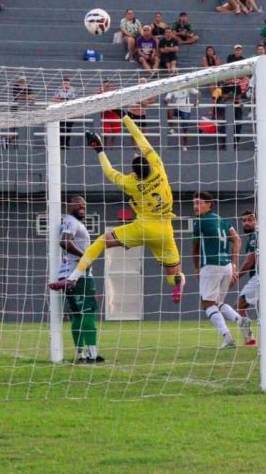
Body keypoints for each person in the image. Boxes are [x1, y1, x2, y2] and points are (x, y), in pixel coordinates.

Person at [49, 119, 186, 304]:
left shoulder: (131, 184)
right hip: (165, 232)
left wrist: (99, 150)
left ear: (136, 173)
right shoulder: (159, 168)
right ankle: (178, 283)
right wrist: (127, 118)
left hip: (142, 228)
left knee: (100, 242)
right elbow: (141, 139)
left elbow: (109, 171)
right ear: (149, 164)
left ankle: (73, 278)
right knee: (174, 274)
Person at [192, 191, 254, 348]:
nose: (195, 206)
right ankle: (241, 320)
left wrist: (196, 268)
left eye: (199, 203)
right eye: (194, 203)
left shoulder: (199, 221)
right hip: (227, 266)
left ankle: (227, 338)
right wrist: (234, 264)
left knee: (207, 304)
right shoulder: (224, 221)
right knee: (218, 302)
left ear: (209, 204)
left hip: (211, 265)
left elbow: (195, 248)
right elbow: (237, 239)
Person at [55, 196, 103, 364]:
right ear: (70, 206)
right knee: (88, 312)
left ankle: (80, 353)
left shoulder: (70, 222)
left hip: (68, 275)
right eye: (79, 205)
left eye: (84, 205)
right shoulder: (72, 222)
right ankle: (92, 354)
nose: (83, 207)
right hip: (79, 275)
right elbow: (64, 242)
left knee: (76, 315)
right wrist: (85, 257)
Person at [234, 210, 260, 345]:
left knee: (240, 305)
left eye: (250, 220)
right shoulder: (255, 237)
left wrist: (236, 276)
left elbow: (249, 262)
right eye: (244, 221)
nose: (247, 223)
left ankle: (249, 339)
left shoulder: (254, 238)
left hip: (259, 277)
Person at [51, 77, 78, 147]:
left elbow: (75, 101)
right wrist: (65, 101)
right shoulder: (58, 90)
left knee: (68, 129)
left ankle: (67, 144)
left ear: (69, 83)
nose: (66, 84)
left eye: (67, 82)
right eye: (64, 82)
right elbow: (53, 99)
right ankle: (61, 144)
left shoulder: (73, 90)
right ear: (62, 83)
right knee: (61, 128)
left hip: (70, 112)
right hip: (61, 112)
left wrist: (63, 101)